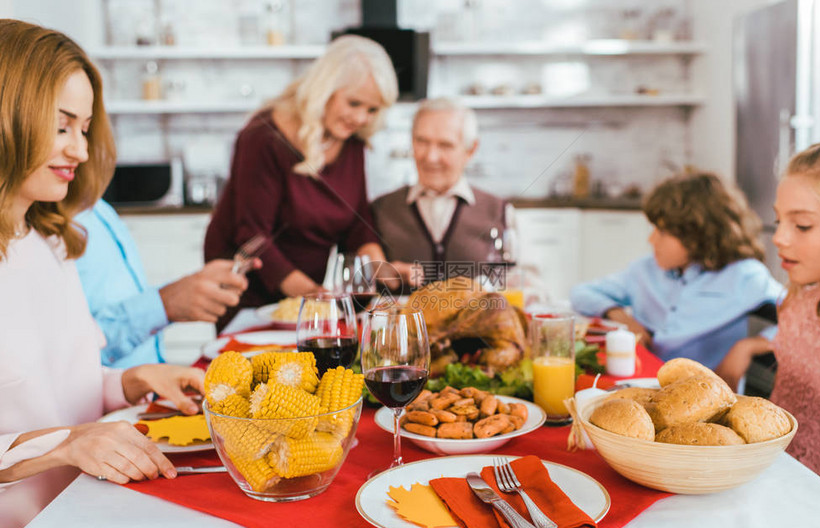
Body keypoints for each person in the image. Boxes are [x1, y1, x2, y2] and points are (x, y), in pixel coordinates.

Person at [0, 20, 205, 528]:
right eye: (62, 125)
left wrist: (131, 381)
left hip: (89, 513)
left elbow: (64, 394)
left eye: (85, 128)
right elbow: (66, 430)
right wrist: (69, 443)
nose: (81, 151)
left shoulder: (48, 241)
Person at [204, 35, 416, 331]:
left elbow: (356, 221)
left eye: (372, 110)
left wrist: (380, 267)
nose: (361, 118)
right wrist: (312, 295)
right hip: (246, 293)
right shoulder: (263, 137)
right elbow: (253, 236)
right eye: (354, 103)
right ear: (324, 90)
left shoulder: (350, 140)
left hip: (304, 298)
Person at [570, 171, 785, 371]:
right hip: (643, 382)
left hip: (706, 400)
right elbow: (580, 292)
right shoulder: (644, 270)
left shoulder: (745, 276)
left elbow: (804, 320)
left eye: (662, 231)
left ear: (697, 234)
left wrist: (749, 347)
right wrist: (620, 316)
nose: (651, 239)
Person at [753, 139, 820, 500]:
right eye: (779, 221)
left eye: (802, 226)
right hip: (770, 490)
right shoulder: (796, 306)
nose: (779, 238)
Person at [75, 198, 250, 367]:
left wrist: (185, 292)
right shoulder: (56, 226)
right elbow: (68, 357)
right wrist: (164, 304)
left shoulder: (100, 209)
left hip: (150, 385)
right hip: (109, 394)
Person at [371, 98, 510, 280]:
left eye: (445, 145)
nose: (431, 157)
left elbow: (522, 283)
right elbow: (358, 282)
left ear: (471, 150)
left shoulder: (499, 211)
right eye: (422, 141)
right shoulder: (380, 209)